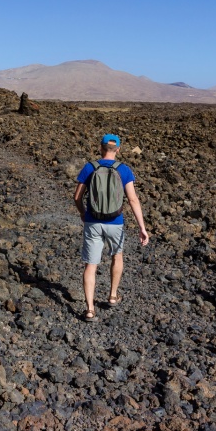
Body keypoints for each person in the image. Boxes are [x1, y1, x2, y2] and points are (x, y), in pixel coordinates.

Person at [73, 134, 150, 321]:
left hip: (93, 221)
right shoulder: (124, 170)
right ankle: (113, 296)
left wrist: (84, 213)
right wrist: (142, 227)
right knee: (117, 256)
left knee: (91, 265)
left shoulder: (90, 167)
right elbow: (133, 199)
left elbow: (77, 197)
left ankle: (90, 309)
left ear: (101, 148)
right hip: (115, 222)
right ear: (118, 150)